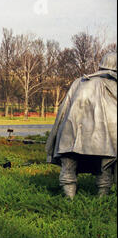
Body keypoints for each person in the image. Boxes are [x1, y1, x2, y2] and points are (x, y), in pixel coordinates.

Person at [46, 52, 117, 199]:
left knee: (69, 166)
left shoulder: (80, 81)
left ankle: (69, 200)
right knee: (104, 167)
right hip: (105, 138)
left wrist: (56, 137)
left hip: (71, 134)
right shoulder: (114, 84)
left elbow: (63, 109)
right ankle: (101, 200)